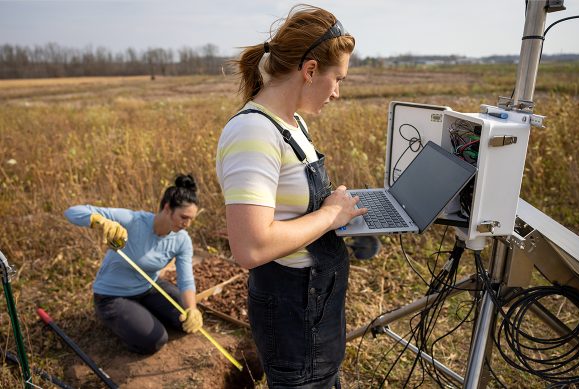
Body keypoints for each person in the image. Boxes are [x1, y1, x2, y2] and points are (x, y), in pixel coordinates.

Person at [216, 5, 366, 388]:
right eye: (337, 79)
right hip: (293, 314)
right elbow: (250, 247)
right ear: (311, 70)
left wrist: (341, 210)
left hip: (313, 307)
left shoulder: (292, 123)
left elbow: (290, 204)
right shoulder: (254, 133)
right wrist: (331, 216)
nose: (337, 93)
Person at [64, 174, 203, 355]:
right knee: (155, 340)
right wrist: (100, 221)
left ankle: (141, 312)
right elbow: (71, 212)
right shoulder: (132, 221)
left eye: (191, 219)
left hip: (149, 286)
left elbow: (186, 279)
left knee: (185, 319)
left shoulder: (182, 240)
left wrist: (192, 309)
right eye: (184, 217)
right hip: (113, 295)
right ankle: (118, 317)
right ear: (167, 208)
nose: (187, 224)